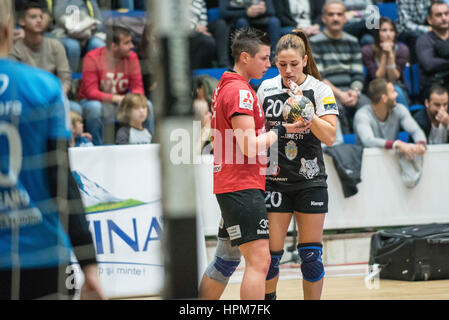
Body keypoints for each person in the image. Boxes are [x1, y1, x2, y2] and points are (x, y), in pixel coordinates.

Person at [0, 0, 104, 299]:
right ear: (10, 30)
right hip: (41, 252)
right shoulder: (42, 86)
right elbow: (60, 179)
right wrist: (90, 266)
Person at [198, 27, 305, 300]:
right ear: (245, 57)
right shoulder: (240, 92)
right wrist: (283, 130)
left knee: (226, 261)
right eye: (264, 58)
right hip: (241, 186)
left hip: (232, 184)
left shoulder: (226, 85)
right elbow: (249, 146)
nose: (269, 65)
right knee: (259, 262)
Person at [256, 29, 338, 300]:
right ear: (274, 62)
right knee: (271, 258)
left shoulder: (319, 89)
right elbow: (257, 136)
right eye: (282, 65)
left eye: (293, 64)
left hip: (310, 182)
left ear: (304, 60)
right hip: (274, 180)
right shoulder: (266, 89)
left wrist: (307, 110)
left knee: (311, 256)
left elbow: (330, 136)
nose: (288, 70)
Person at [78, 25, 154, 145]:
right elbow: (91, 92)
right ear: (114, 46)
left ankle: (149, 144)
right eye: (127, 43)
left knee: (147, 105)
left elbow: (138, 88)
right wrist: (116, 98)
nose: (132, 46)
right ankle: (98, 148)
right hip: (94, 101)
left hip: (121, 102)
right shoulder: (92, 58)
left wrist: (129, 100)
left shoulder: (132, 57)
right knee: (94, 108)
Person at [8, 2, 82, 115]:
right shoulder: (15, 50)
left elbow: (65, 79)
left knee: (76, 109)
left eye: (41, 17)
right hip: (27, 102)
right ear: (22, 22)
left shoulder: (56, 46)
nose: (39, 20)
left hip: (53, 99)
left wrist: (56, 99)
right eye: (33, 17)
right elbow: (15, 84)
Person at [310, 0, 370, 134]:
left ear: (345, 18)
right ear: (324, 18)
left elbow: (357, 74)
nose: (335, 18)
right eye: (331, 15)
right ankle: (343, 149)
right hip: (327, 92)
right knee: (334, 107)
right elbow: (319, 78)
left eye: (339, 14)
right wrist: (340, 95)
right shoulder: (314, 43)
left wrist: (354, 92)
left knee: (366, 105)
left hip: (350, 91)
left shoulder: (353, 41)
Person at [353, 78, 427, 158]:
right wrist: (396, 144)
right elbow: (368, 140)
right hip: (368, 161)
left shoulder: (399, 109)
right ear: (384, 98)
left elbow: (415, 130)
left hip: (391, 159)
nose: (396, 94)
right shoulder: (362, 115)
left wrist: (420, 143)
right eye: (393, 92)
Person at [362, 17, 410, 107]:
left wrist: (391, 56)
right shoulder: (367, 51)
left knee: (396, 91)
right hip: (374, 87)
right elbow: (378, 77)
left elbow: (393, 78)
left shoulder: (402, 50)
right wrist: (384, 54)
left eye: (392, 30)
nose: (388, 34)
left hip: (397, 86)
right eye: (384, 30)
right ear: (377, 33)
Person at [53, 0, 106, 72]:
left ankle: (94, 78)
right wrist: (78, 23)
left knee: (99, 45)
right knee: (73, 46)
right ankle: (72, 79)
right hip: (66, 34)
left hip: (88, 34)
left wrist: (88, 25)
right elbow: (58, 16)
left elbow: (99, 23)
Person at [415, 0, 449, 100]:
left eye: (446, 14)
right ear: (429, 19)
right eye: (439, 15)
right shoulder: (424, 40)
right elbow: (429, 64)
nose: (444, 18)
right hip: (434, 87)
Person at [190, 0, 231, 68]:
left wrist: (203, 30)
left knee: (220, 24)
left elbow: (203, 20)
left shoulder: (199, 1)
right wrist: (195, 27)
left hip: (199, 30)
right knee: (208, 41)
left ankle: (224, 64)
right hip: (185, 32)